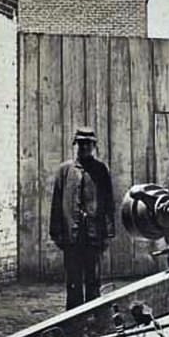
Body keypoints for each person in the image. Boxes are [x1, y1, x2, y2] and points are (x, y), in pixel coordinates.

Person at [49, 127, 115, 310]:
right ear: (75, 144)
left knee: (93, 280)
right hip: (72, 236)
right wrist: (56, 233)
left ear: (94, 146)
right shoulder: (65, 171)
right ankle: (73, 322)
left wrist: (108, 233)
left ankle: (94, 319)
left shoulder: (100, 170)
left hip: (93, 235)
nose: (85, 147)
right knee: (73, 281)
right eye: (81, 143)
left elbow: (108, 202)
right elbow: (56, 203)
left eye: (89, 144)